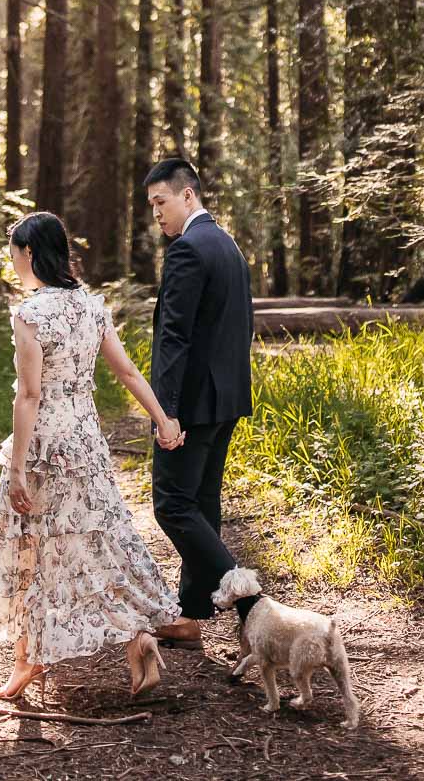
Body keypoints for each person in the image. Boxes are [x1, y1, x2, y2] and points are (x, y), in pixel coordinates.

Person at [0, 210, 184, 702]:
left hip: (45, 446)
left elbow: (30, 396)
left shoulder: (30, 314)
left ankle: (28, 661)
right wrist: (163, 419)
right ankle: (139, 637)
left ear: (30, 253)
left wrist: (16, 468)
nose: (13, 261)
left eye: (14, 252)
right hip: (86, 442)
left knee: (33, 548)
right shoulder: (90, 306)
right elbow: (126, 372)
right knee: (97, 542)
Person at [145, 156, 259, 649]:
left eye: (161, 202)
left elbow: (174, 337)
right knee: (201, 503)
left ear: (187, 195)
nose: (157, 214)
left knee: (172, 505)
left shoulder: (188, 249)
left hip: (191, 403)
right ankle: (190, 614)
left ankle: (250, 598)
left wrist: (164, 409)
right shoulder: (227, 244)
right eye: (151, 206)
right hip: (228, 396)